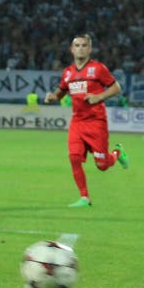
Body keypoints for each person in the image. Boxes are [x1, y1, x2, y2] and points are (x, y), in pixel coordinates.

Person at [45, 34, 129, 207]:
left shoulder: (98, 69)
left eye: (84, 45)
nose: (80, 48)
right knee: (74, 157)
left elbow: (116, 87)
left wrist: (100, 96)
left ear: (89, 49)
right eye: (77, 45)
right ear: (71, 49)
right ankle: (85, 197)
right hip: (77, 122)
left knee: (102, 165)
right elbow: (61, 91)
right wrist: (52, 97)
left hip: (96, 122)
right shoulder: (67, 72)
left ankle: (117, 153)